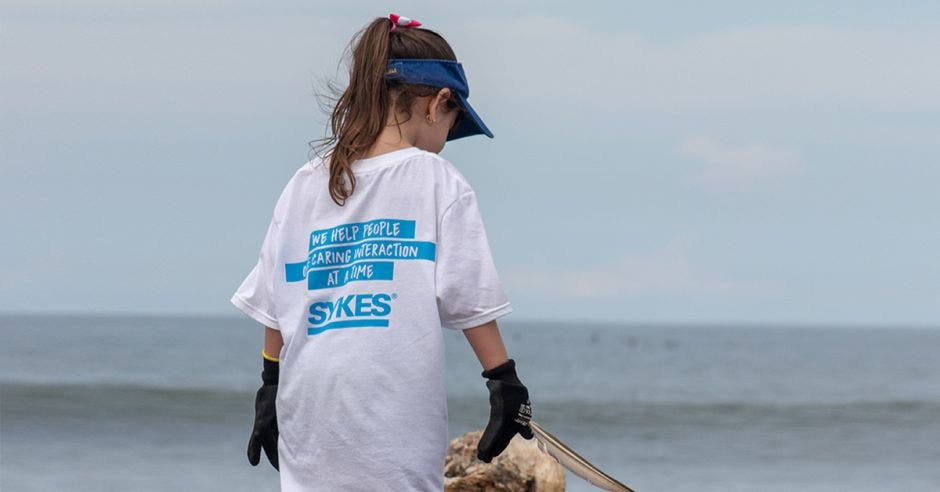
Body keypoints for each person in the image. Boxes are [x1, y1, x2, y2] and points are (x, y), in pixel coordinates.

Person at [230, 13, 534, 491]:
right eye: (453, 126)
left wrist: (269, 384)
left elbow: (277, 296)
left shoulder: (306, 182)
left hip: (309, 414)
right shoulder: (436, 180)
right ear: (438, 104)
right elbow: (470, 298)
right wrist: (504, 381)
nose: (445, 145)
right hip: (390, 422)